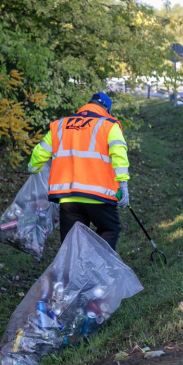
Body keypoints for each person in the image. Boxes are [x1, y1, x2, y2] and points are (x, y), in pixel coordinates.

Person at [27, 92, 130, 251]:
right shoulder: (109, 125)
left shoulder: (61, 125)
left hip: (68, 197)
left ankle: (73, 273)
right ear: (106, 110)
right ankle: (98, 267)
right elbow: (119, 155)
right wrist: (123, 184)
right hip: (99, 196)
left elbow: (40, 152)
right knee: (109, 229)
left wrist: (34, 167)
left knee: (71, 242)